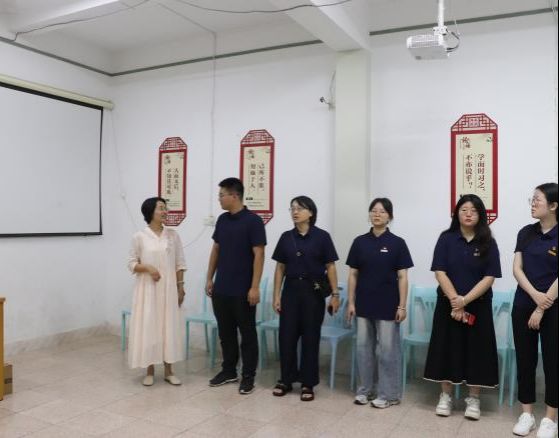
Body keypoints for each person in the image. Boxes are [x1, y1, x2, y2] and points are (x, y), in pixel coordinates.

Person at [424, 194, 501, 420]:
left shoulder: (488, 242)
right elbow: (440, 271)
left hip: (478, 306)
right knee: (447, 348)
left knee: (477, 352)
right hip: (448, 306)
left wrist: (464, 301)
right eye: (464, 209)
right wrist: (455, 300)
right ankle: (445, 396)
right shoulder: (446, 239)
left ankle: (473, 399)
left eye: (474, 210)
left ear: (481, 215)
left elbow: (489, 277)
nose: (468, 214)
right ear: (456, 213)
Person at [271, 196, 340, 401]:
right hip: (291, 291)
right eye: (292, 208)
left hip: (313, 293)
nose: (295, 212)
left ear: (311, 212)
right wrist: (276, 295)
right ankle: (286, 379)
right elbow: (280, 268)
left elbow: (331, 266)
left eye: (300, 208)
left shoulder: (322, 237)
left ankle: (308, 383)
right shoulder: (286, 237)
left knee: (311, 337)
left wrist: (335, 294)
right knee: (287, 337)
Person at [346, 198, 413, 408]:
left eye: (382, 211)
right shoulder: (359, 242)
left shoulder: (397, 243)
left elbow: (403, 277)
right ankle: (365, 390)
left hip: (388, 305)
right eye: (373, 211)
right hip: (363, 304)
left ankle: (389, 395)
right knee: (363, 349)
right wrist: (351, 302)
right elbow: (353, 274)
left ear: (389, 217)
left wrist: (402, 306)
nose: (377, 214)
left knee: (387, 351)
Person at [205, 177, 266, 395]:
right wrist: (209, 278)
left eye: (222, 195)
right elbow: (216, 249)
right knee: (226, 333)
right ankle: (229, 370)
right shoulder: (222, 220)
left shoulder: (253, 221)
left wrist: (255, 287)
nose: (219, 199)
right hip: (222, 288)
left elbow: (259, 254)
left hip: (243, 290)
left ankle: (248, 376)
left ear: (234, 195)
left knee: (247, 334)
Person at [511, 183, 558, 438]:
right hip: (523, 303)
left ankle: (550, 419)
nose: (533, 203)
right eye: (532, 199)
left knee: (553, 361)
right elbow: (517, 269)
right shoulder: (526, 232)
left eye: (538, 199)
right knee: (525, 360)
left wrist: (541, 305)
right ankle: (527, 414)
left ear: (553, 205)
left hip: (553, 307)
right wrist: (534, 295)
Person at [127, 197, 186, 386]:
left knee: (168, 326)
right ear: (150, 212)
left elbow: (180, 263)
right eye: (161, 208)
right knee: (149, 326)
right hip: (148, 290)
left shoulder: (173, 235)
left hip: (169, 289)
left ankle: (169, 371)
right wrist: (148, 268)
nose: (165, 211)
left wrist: (181, 287)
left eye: (165, 208)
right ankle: (150, 370)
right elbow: (131, 263)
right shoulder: (139, 237)